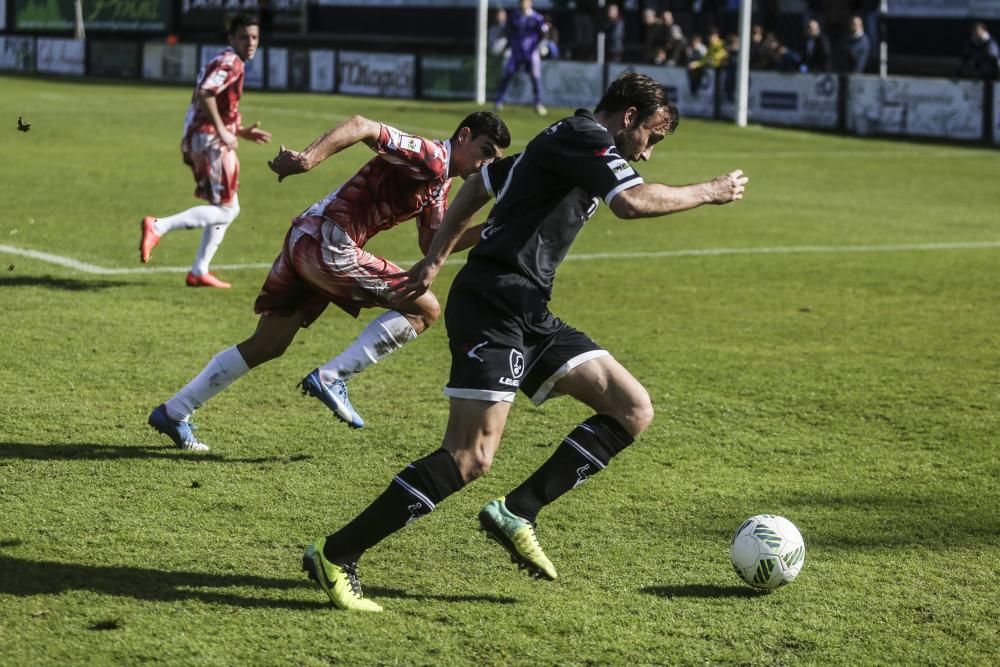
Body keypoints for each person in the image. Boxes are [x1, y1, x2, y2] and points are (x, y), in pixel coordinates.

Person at [301, 71, 748, 612]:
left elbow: (478, 185)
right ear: (628, 117)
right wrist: (710, 191)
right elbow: (631, 203)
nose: (648, 154)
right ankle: (335, 554)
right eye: (651, 138)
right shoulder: (586, 138)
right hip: (494, 303)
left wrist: (437, 256)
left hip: (529, 308)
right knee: (469, 456)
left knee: (631, 408)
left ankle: (518, 510)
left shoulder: (561, 143)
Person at [146, 112, 511, 451]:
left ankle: (175, 411)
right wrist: (307, 159)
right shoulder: (430, 155)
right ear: (463, 136)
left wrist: (493, 227)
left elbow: (433, 243)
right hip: (329, 244)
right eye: (485, 152)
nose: (487, 164)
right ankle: (334, 377)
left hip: (306, 238)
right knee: (425, 309)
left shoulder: (438, 182)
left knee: (268, 343)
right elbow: (362, 125)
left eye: (494, 159)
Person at [139, 14, 272, 289]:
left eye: (255, 37)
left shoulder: (225, 60)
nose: (250, 43)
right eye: (244, 37)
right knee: (224, 210)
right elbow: (206, 93)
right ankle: (157, 226)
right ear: (231, 38)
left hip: (202, 137)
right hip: (209, 139)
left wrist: (239, 130)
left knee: (229, 207)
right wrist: (223, 131)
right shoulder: (231, 61)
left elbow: (211, 97)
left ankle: (199, 270)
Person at [495, 0, 549, 115]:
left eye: (525, 2)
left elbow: (544, 33)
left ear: (530, 3)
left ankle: (538, 103)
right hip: (516, 52)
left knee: (535, 77)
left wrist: (541, 46)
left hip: (531, 52)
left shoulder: (537, 18)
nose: (522, 4)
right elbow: (507, 32)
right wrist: (507, 45)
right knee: (507, 74)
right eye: (521, 2)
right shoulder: (514, 17)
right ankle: (499, 101)